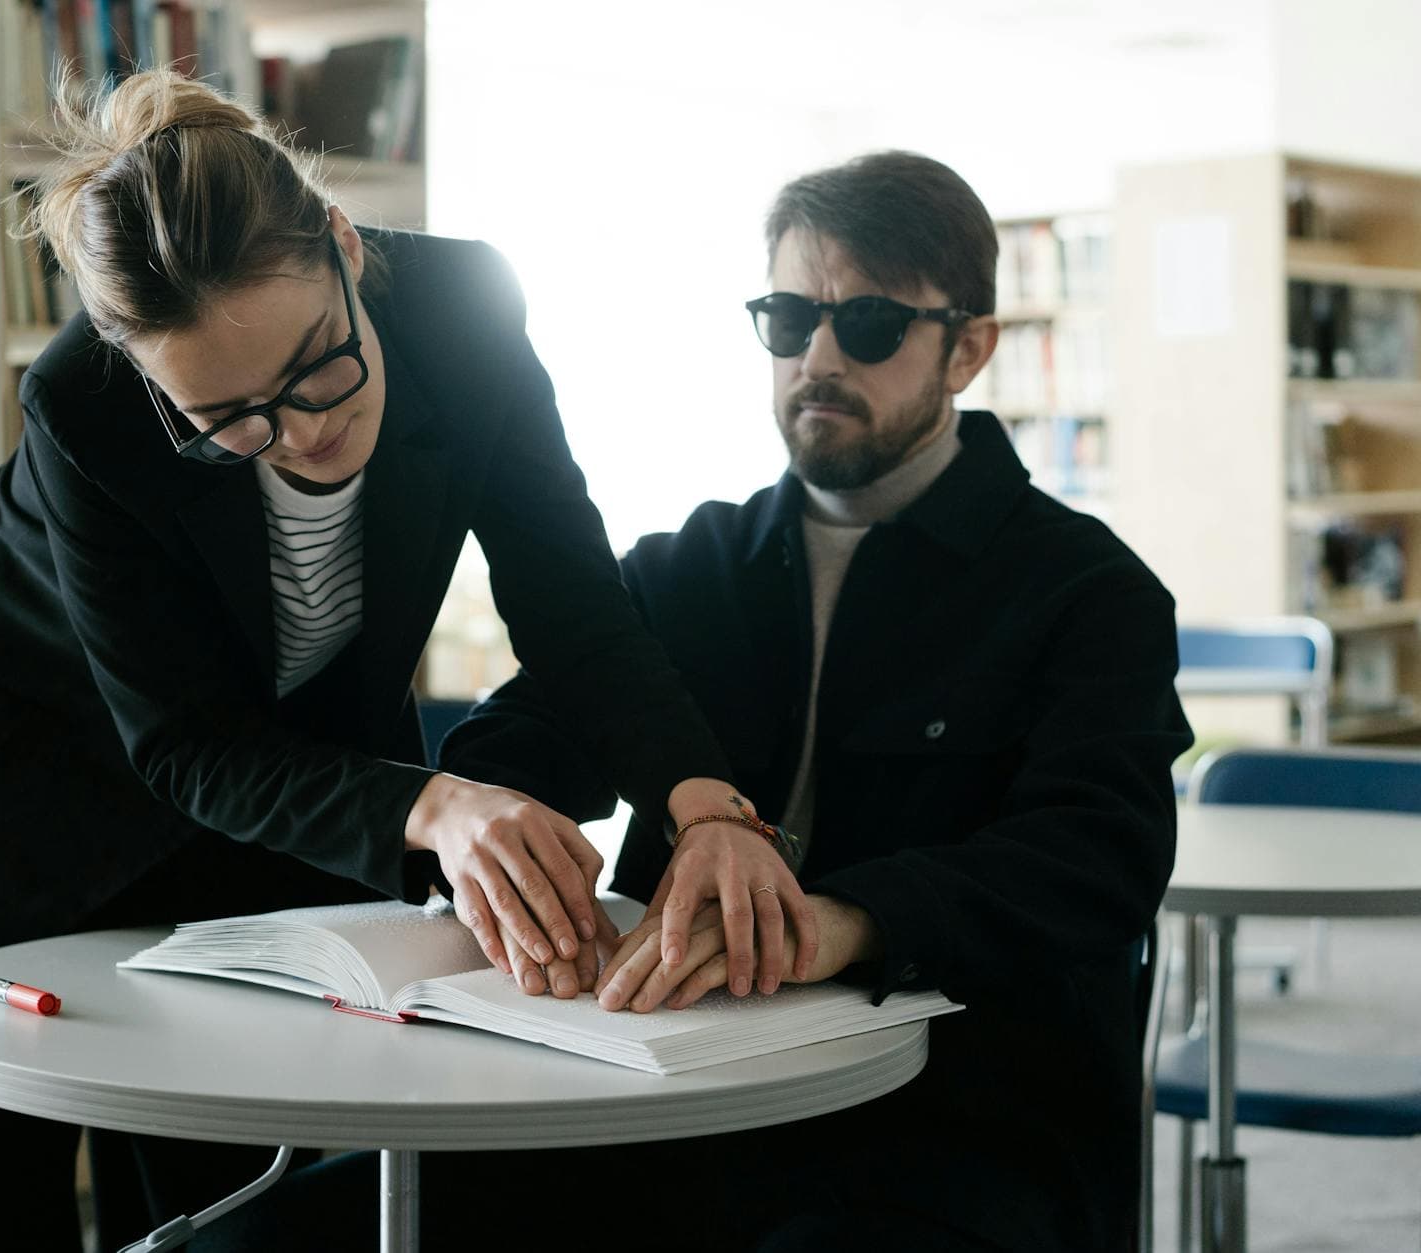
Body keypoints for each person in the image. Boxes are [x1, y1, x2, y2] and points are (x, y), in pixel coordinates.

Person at [0, 68, 792, 1250]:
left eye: (319, 364)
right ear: (143, 374)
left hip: (246, 841)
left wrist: (704, 803)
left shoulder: (465, 310)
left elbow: (575, 609)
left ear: (342, 243)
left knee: (225, 1221)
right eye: (230, 421)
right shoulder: (84, 404)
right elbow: (182, 739)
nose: (301, 431)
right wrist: (437, 801)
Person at [398, 151, 1188, 1250]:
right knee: (372, 1211)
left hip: (956, 1108)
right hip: (666, 1081)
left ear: (967, 348)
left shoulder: (1085, 590)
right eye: (786, 316)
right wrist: (486, 821)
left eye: (867, 323)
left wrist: (840, 925)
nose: (815, 355)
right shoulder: (683, 565)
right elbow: (532, 731)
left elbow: (1096, 855)